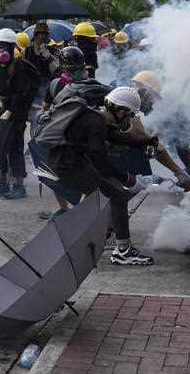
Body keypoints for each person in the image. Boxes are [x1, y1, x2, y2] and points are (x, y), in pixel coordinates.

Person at [47, 86, 154, 265]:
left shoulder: (96, 116)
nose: (129, 119)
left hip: (66, 162)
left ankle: (89, 238)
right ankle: (123, 251)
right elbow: (101, 161)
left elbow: (113, 136)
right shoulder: (96, 122)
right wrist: (124, 177)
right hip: (69, 167)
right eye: (129, 115)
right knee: (117, 195)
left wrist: (143, 142)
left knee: (106, 195)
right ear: (120, 111)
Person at [37, 46, 87, 220]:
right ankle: (77, 210)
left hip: (61, 139)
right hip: (78, 139)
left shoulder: (55, 84)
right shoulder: (89, 84)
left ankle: (67, 209)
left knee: (56, 175)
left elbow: (44, 110)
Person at [0, 28, 36, 200]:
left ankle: (19, 186)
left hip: (16, 113)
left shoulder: (18, 66)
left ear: (9, 48)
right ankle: (2, 182)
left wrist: (11, 111)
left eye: (1, 46)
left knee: (15, 148)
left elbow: (21, 92)